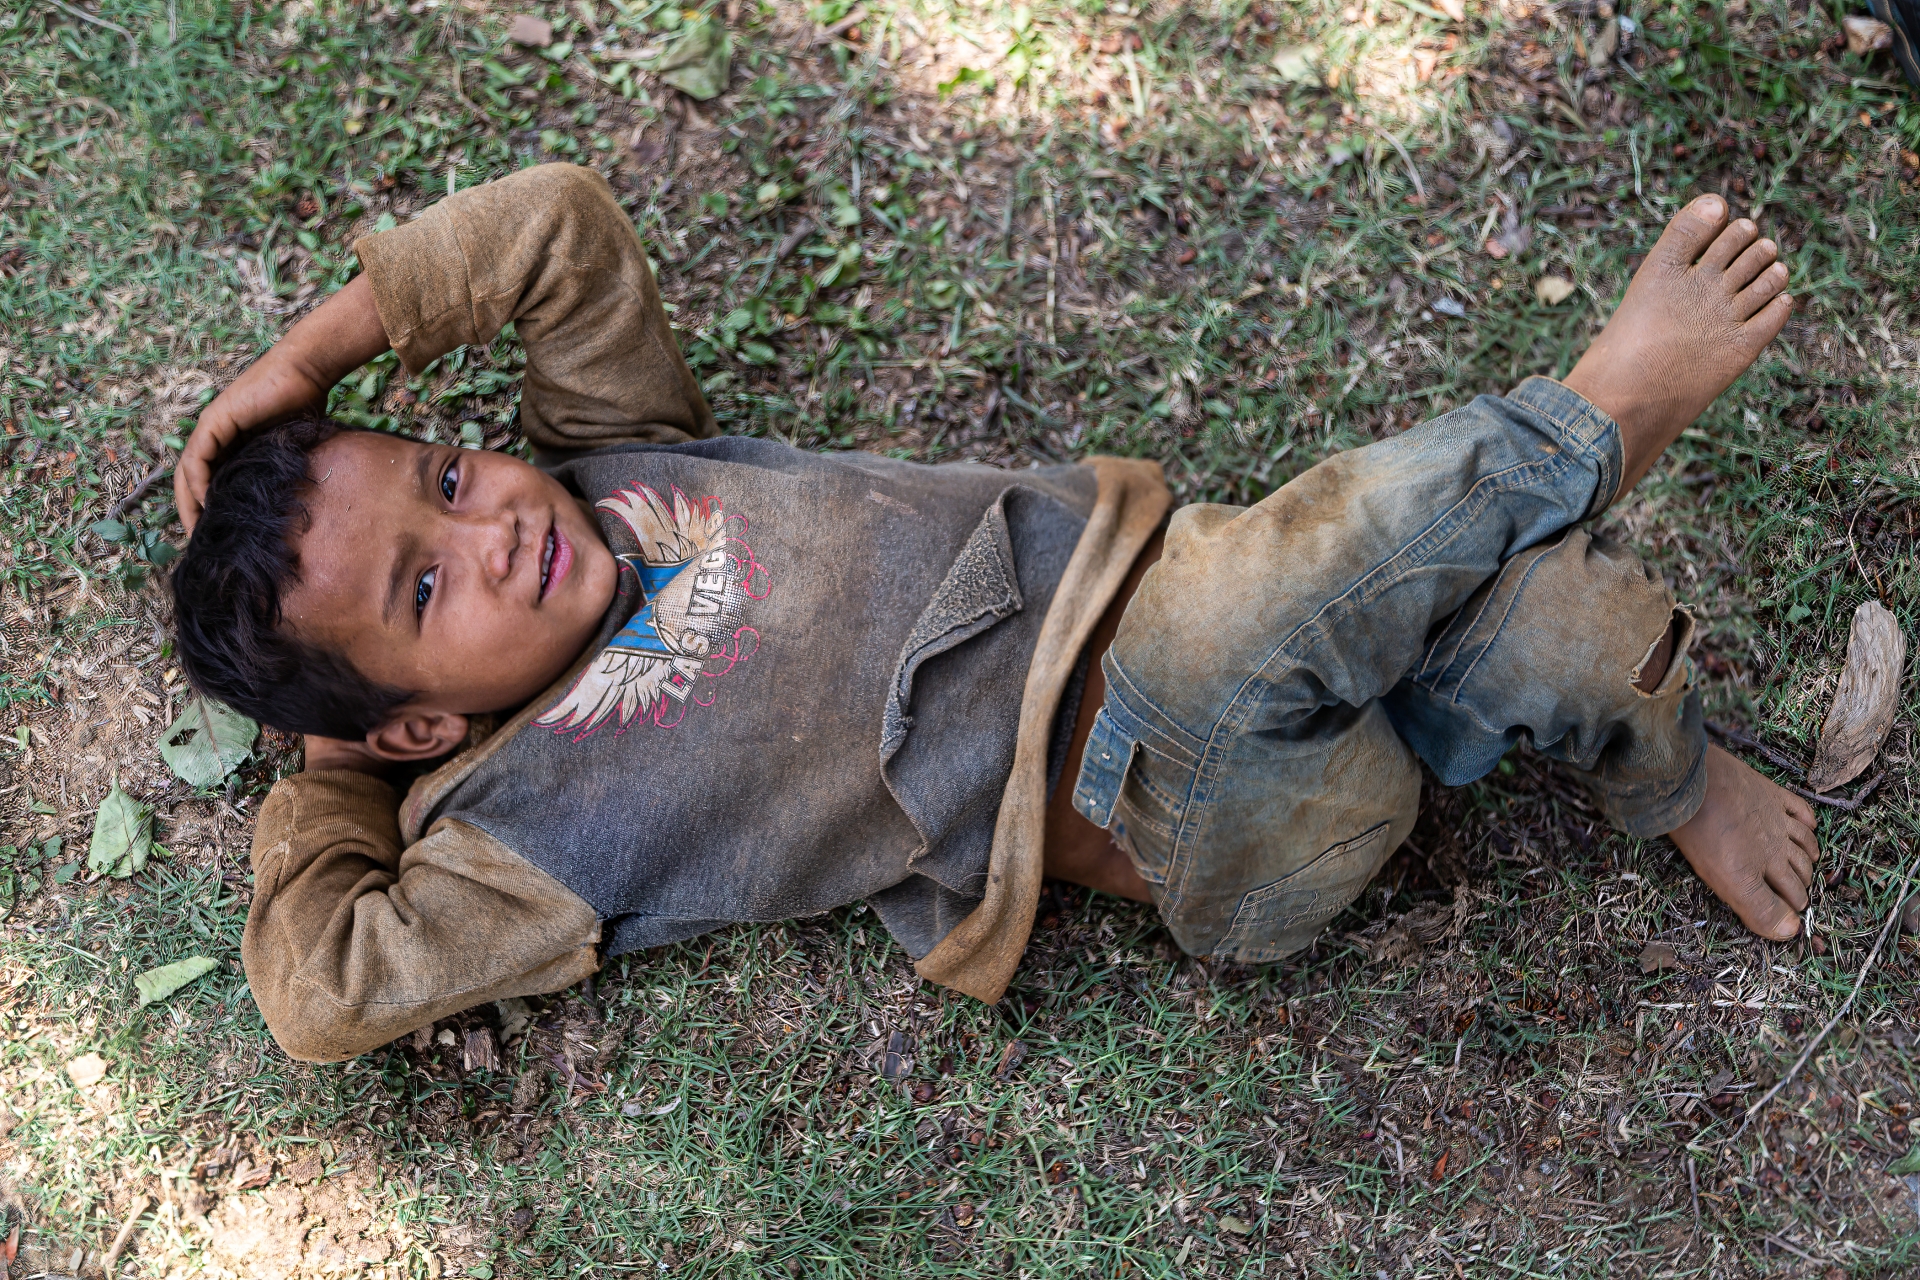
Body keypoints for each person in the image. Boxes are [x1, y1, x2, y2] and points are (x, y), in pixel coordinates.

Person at [171, 165, 1816, 1064]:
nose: (491, 529)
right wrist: (338, 770)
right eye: (424, 587)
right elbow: (319, 990)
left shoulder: (610, 456)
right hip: (1194, 812)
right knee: (1244, 607)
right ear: (414, 720)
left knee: (1566, 626)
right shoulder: (514, 829)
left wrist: (309, 358)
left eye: (447, 475)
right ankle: (1594, 419)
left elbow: (556, 227)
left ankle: (1675, 781)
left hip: (1228, 600)